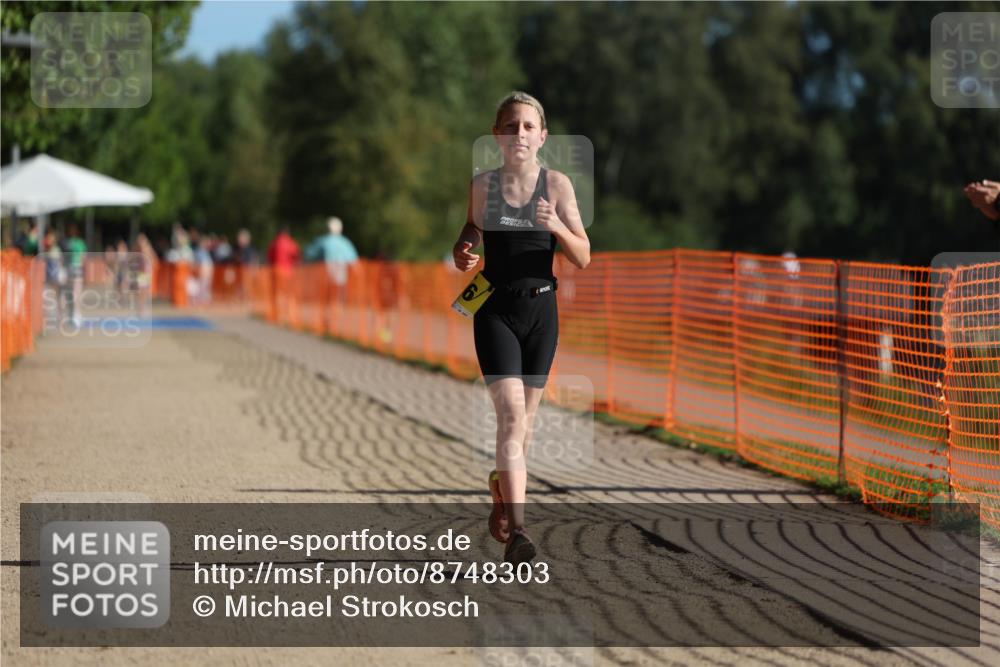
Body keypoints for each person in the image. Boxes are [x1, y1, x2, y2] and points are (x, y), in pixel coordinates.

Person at [452, 91, 590, 564]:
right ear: (497, 135)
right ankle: (520, 531)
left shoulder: (557, 186)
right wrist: (464, 247)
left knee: (525, 423)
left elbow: (583, 255)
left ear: (542, 136)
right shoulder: (483, 186)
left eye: (529, 126)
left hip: (541, 314)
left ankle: (502, 486)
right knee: (511, 416)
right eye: (510, 126)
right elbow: (471, 228)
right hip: (495, 310)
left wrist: (558, 228)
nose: (520, 134)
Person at [305, 216, 359, 301]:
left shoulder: (322, 241)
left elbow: (309, 255)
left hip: (325, 275)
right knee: (340, 291)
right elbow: (354, 261)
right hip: (341, 275)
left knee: (327, 293)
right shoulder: (345, 243)